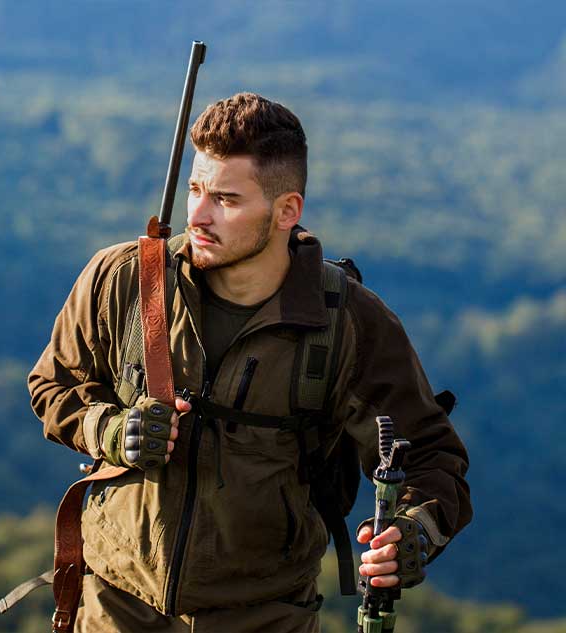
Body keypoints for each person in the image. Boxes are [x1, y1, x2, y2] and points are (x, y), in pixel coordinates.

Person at [28, 92, 472, 633]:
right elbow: (53, 386)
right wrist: (109, 428)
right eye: (195, 189)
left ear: (287, 211)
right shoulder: (123, 279)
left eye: (226, 200)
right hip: (115, 607)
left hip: (265, 616)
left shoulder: (345, 323)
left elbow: (431, 455)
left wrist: (413, 533)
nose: (197, 215)